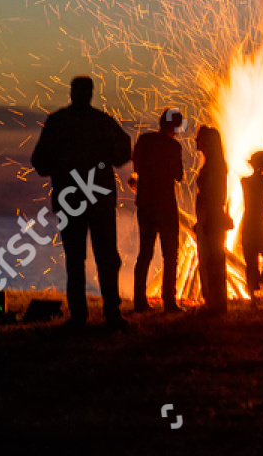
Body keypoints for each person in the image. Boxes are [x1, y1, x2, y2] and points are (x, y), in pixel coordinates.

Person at [29, 76, 133, 329]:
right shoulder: (102, 122)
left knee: (75, 259)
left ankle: (79, 314)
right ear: (90, 94)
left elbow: (39, 161)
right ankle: (111, 312)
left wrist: (61, 169)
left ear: (72, 93)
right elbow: (124, 152)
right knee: (106, 256)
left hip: (70, 200)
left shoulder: (58, 122)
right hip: (100, 199)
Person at [131, 109, 186, 314]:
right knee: (170, 255)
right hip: (165, 205)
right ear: (176, 126)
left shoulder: (144, 140)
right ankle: (169, 302)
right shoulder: (173, 146)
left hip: (145, 204)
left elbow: (136, 167)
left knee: (144, 253)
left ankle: (139, 301)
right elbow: (178, 175)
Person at [193, 125, 232, 314]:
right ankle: (215, 301)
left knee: (212, 260)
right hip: (210, 215)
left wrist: (207, 219)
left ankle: (214, 303)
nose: (195, 141)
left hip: (211, 216)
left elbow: (213, 194)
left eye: (199, 138)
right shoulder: (214, 164)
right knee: (212, 259)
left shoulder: (214, 166)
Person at [240, 151, 263, 294]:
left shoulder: (249, 181)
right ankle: (254, 286)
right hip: (255, 221)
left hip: (256, 221)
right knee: (256, 257)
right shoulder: (247, 181)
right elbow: (255, 200)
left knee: (262, 255)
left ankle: (258, 280)